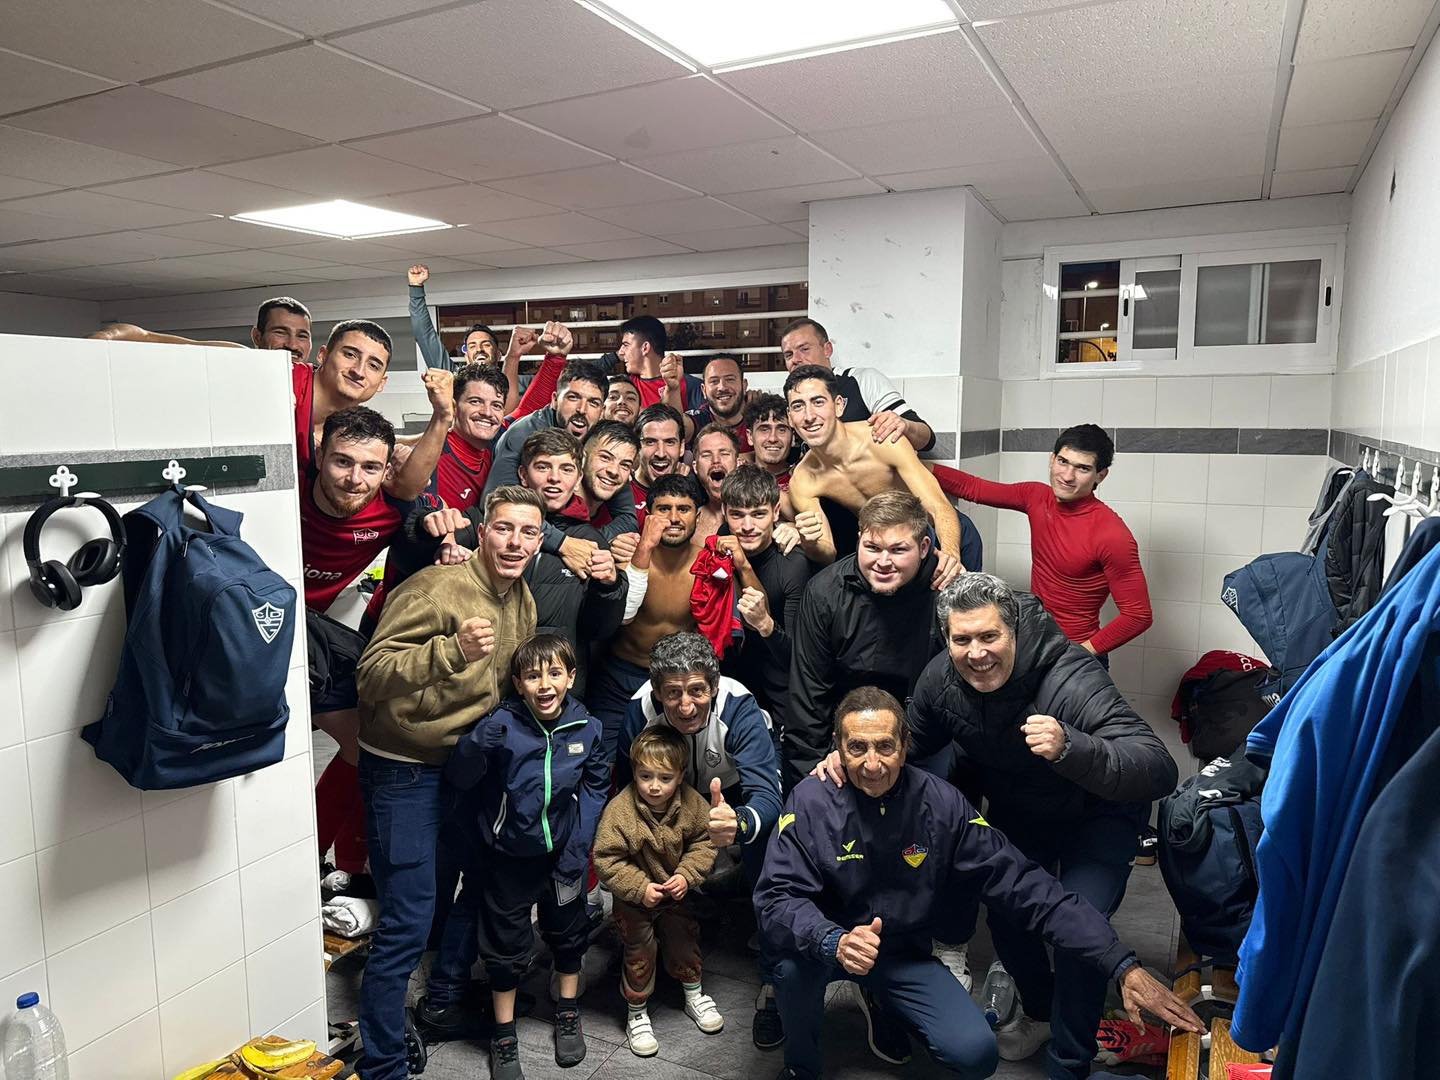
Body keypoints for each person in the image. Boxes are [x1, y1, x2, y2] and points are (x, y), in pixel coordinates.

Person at [816, 573, 1180, 1077]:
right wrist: (845, 759)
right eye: (962, 639)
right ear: (946, 639)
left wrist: (1072, 747)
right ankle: (1043, 1013)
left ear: (1014, 631)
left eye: (989, 636)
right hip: (1022, 808)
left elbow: (1159, 766)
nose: (977, 653)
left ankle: (1069, 1064)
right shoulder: (942, 679)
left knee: (1080, 928)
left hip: (1096, 816)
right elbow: (910, 742)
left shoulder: (1070, 678)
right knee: (1009, 917)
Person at [760, 686, 1203, 1080]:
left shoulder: (940, 804)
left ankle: (883, 1000)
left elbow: (1028, 886)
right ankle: (801, 1066)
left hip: (900, 953)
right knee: (791, 968)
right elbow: (776, 898)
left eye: (885, 746)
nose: (872, 763)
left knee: (976, 1055)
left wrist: (1121, 965)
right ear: (837, 746)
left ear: (906, 745)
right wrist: (831, 940)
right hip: (825, 945)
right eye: (857, 747)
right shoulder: (811, 800)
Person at [351, 485, 546, 1080]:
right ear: (481, 532)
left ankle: (441, 1003)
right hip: (404, 769)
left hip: (466, 769)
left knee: (482, 882)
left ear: (540, 542)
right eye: (504, 528)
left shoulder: (521, 597)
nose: (514, 542)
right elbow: (370, 675)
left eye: (528, 532)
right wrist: (450, 652)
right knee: (408, 919)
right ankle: (383, 1064)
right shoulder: (434, 589)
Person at [443, 633, 609, 1080]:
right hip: (510, 856)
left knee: (569, 931)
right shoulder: (502, 725)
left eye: (555, 673)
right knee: (504, 946)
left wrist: (579, 848)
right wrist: (474, 744)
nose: (544, 684)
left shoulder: (587, 728)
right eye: (533, 676)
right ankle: (503, 1034)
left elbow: (596, 788)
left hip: (563, 854)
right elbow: (460, 779)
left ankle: (568, 1012)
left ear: (570, 677)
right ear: (518, 683)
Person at [613, 632, 786, 1047]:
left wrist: (740, 823)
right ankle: (669, 940)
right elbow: (627, 790)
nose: (686, 705)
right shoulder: (639, 711)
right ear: (657, 692)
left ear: (714, 686)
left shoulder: (739, 706)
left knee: (771, 853)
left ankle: (774, 983)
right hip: (672, 789)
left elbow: (768, 796)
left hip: (737, 788)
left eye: (696, 691)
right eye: (673, 693)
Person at [931, 425, 1152, 661]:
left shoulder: (1113, 535)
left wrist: (1078, 654)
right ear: (1052, 459)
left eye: (1083, 468)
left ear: (1101, 475)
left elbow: (1138, 615)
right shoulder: (1036, 496)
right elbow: (973, 488)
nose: (1067, 476)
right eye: (1063, 462)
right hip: (1035, 642)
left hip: (1075, 653)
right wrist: (910, 464)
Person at [785, 491, 957, 789]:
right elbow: (809, 697)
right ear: (859, 540)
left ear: (924, 547)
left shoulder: (947, 592)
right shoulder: (825, 592)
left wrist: (900, 750)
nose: (883, 562)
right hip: (847, 739)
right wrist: (813, 781)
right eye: (872, 547)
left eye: (898, 549)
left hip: (926, 737)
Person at [593, 725, 722, 1057]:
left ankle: (693, 993)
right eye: (645, 776)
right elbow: (606, 858)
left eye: (664, 778)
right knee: (639, 951)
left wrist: (686, 875)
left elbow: (705, 843)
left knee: (684, 939)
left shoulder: (692, 804)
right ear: (634, 771)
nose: (654, 786)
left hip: (676, 893)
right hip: (634, 901)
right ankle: (636, 1011)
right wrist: (639, 887)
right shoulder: (620, 811)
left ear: (680, 776)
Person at [783, 365, 963, 567]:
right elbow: (827, 552)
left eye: (818, 402)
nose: (809, 416)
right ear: (790, 418)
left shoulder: (881, 440)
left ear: (839, 406)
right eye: (798, 406)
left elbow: (940, 508)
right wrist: (810, 542)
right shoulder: (803, 480)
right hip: (886, 548)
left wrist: (951, 557)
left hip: (940, 532)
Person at [587, 474, 705, 755]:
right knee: (604, 757)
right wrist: (645, 548)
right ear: (648, 515)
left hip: (677, 679)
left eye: (683, 509)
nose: (673, 518)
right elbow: (617, 616)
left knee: (672, 762)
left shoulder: (708, 563)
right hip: (619, 677)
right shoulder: (627, 556)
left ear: (697, 517)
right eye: (663, 509)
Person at [716, 466, 810, 740]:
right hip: (731, 684)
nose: (747, 526)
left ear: (776, 512)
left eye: (758, 514)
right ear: (724, 513)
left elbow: (797, 658)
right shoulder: (724, 537)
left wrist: (766, 625)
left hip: (780, 691)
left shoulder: (793, 563)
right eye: (737, 515)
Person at [778, 317, 933, 451]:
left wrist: (904, 424)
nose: (795, 359)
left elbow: (927, 440)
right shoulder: (791, 397)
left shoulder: (862, 380)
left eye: (804, 349)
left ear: (827, 349)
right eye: (788, 355)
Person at [90, 295, 314, 364]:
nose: (292, 345)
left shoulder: (319, 383)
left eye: (302, 336)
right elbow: (144, 336)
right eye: (280, 332)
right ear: (257, 336)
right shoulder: (238, 359)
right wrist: (96, 342)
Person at [617, 314, 701, 410]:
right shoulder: (625, 388)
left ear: (645, 348)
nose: (621, 352)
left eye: (626, 345)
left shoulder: (690, 385)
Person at [631, 402, 688, 524]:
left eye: (670, 442)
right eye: (650, 442)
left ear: (682, 447)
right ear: (636, 447)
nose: (661, 454)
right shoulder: (619, 492)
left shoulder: (692, 491)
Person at [681, 353, 751, 449]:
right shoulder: (698, 419)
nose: (722, 387)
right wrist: (673, 388)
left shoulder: (758, 417)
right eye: (714, 381)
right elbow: (676, 429)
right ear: (703, 390)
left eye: (730, 379)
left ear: (744, 385)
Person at [693, 423, 741, 540]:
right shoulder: (688, 519)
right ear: (695, 467)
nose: (716, 460)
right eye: (706, 455)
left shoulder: (757, 519)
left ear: (738, 463)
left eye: (724, 454)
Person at [746, 393, 799, 493]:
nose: (773, 438)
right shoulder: (735, 478)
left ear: (793, 437)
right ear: (750, 436)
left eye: (781, 430)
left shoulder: (805, 480)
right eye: (764, 429)